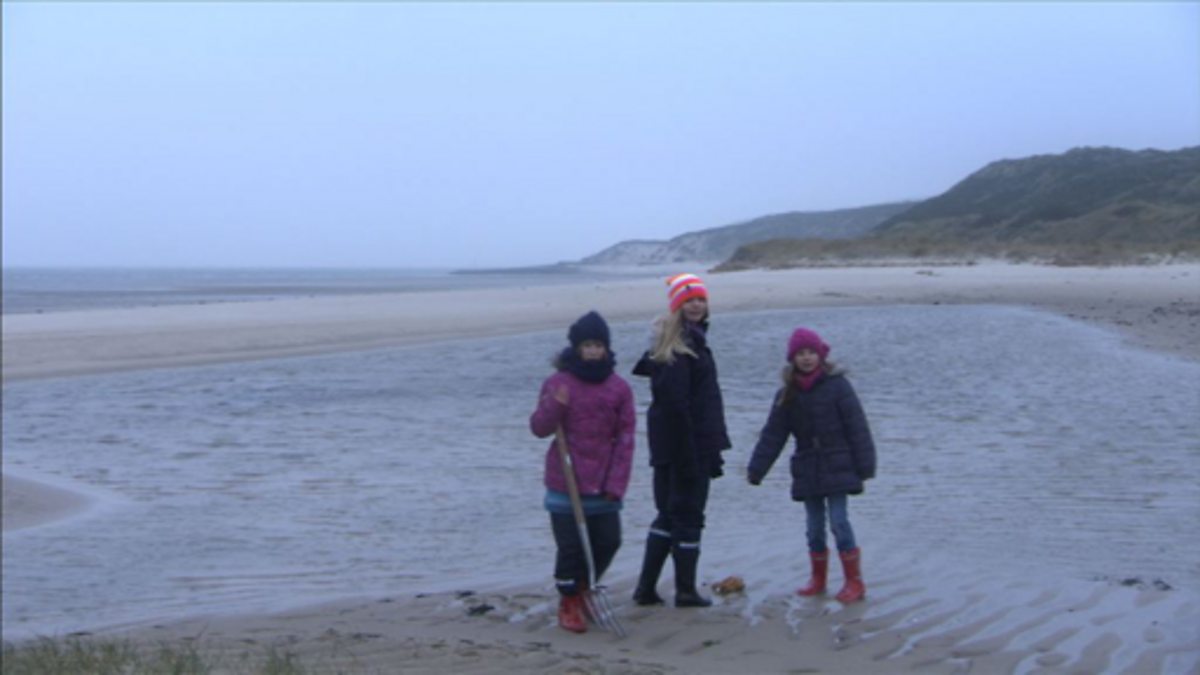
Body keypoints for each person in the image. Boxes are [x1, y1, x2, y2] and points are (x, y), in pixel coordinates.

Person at [746, 327, 876, 603]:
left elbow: (857, 426)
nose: (806, 358)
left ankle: (854, 582)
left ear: (821, 355)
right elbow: (773, 435)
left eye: (811, 353)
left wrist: (866, 465)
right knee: (814, 527)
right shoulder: (787, 394)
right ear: (793, 358)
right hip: (807, 467)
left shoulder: (838, 386)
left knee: (839, 522)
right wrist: (757, 469)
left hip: (838, 463)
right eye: (801, 354)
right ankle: (818, 579)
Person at [530, 310, 636, 633]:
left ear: (606, 348)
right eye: (587, 345)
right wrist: (556, 405)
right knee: (571, 548)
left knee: (609, 541)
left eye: (598, 345)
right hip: (566, 481)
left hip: (603, 481)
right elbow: (539, 428)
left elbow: (626, 438)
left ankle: (585, 587)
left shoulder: (618, 388)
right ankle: (569, 600)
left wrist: (616, 483)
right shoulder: (558, 383)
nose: (592, 351)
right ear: (577, 348)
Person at [630, 273, 731, 608]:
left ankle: (646, 589)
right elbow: (676, 407)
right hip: (683, 448)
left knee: (669, 515)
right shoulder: (678, 350)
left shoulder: (693, 344)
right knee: (687, 516)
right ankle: (685, 590)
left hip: (680, 447)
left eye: (700, 300)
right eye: (689, 301)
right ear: (677, 307)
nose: (696, 305)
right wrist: (691, 454)